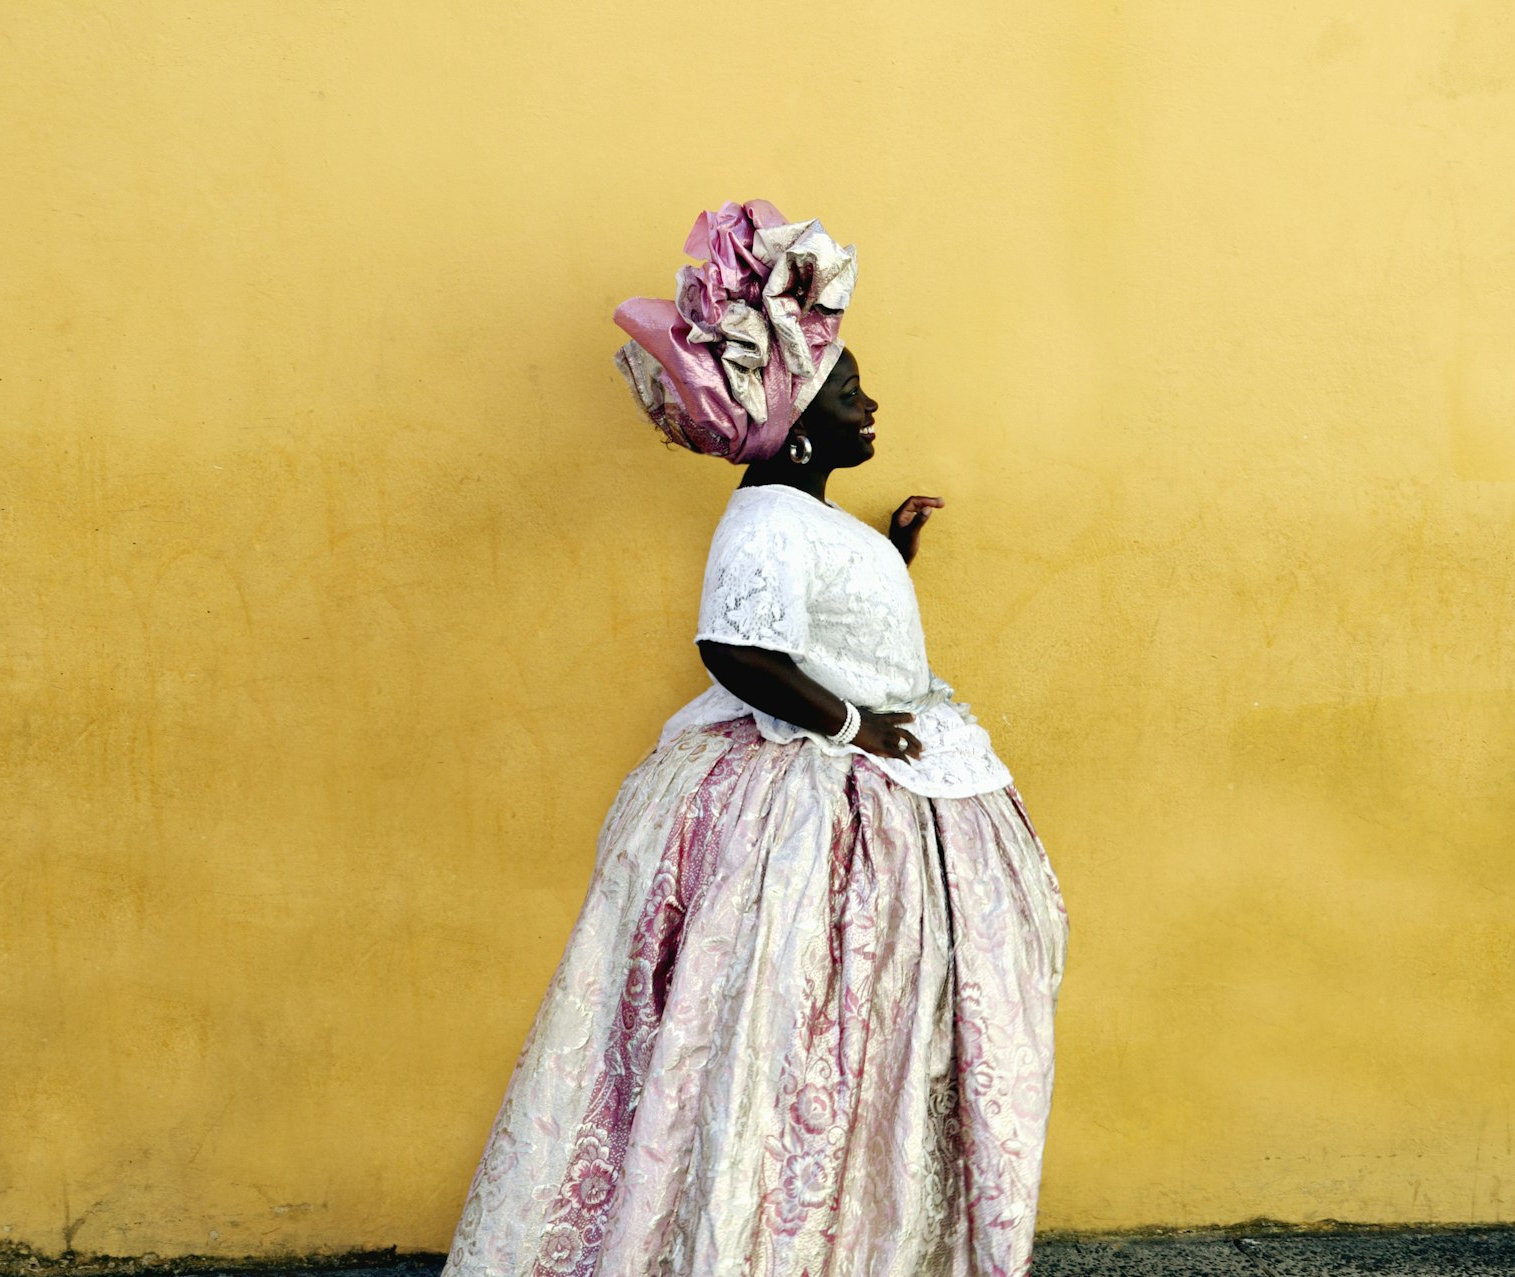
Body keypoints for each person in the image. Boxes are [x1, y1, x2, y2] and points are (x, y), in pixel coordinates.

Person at [440, 199, 1069, 1277]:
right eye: (850, 392)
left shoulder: (802, 520)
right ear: (802, 422)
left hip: (866, 777)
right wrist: (853, 723)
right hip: (812, 801)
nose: (871, 406)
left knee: (853, 1031)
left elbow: (811, 621)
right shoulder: (767, 520)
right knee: (795, 1023)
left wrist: (891, 553)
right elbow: (736, 649)